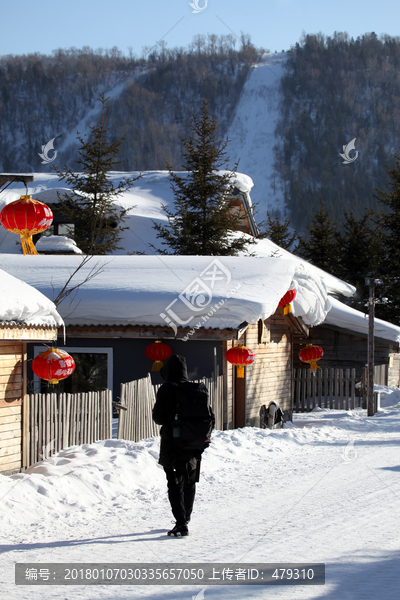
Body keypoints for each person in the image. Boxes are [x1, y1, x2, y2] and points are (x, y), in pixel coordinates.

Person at [152, 354, 213, 537]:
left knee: (174, 482)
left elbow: (159, 418)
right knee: (189, 480)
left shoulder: (166, 389)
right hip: (194, 444)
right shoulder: (196, 389)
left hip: (172, 443)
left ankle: (180, 523)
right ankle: (186, 517)